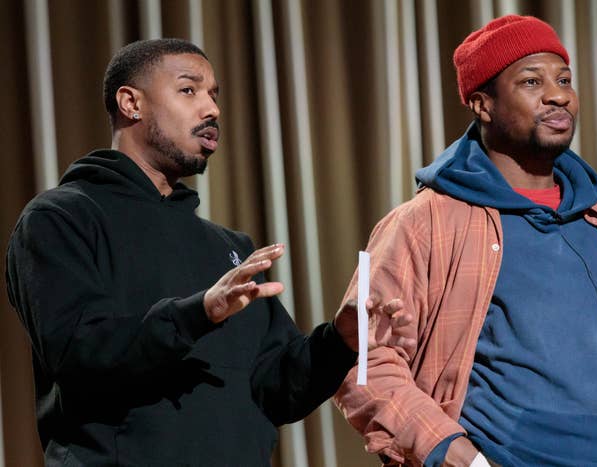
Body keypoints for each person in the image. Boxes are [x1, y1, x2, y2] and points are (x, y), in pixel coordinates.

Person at [5, 38, 413, 466]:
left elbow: (275, 390)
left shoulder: (229, 248)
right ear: (131, 103)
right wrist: (199, 312)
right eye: (189, 90)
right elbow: (81, 356)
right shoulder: (60, 219)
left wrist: (339, 341)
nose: (211, 109)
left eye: (214, 94)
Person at [334, 14, 597, 467]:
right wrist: (457, 456)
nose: (558, 94)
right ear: (482, 105)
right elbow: (367, 362)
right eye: (531, 81)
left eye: (564, 79)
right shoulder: (424, 223)